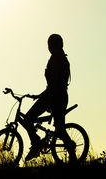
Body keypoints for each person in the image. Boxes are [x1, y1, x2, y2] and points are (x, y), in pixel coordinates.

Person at [22, 34, 77, 162]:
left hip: (53, 96)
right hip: (58, 96)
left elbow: (54, 84)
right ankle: (73, 158)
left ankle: (36, 143)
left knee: (29, 118)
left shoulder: (56, 60)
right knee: (60, 128)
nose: (49, 47)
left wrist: (42, 96)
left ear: (54, 45)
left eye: (50, 45)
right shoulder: (61, 59)